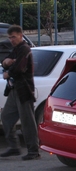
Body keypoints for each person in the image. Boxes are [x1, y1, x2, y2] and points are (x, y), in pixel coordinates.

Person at [0, 25, 40, 160]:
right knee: (6, 117)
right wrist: (7, 63)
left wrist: (8, 71)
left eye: (14, 37)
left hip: (24, 90)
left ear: (21, 36)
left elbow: (19, 68)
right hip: (13, 89)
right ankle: (14, 147)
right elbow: (4, 62)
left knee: (27, 122)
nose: (12, 40)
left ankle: (34, 151)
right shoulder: (16, 49)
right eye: (10, 37)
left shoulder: (25, 49)